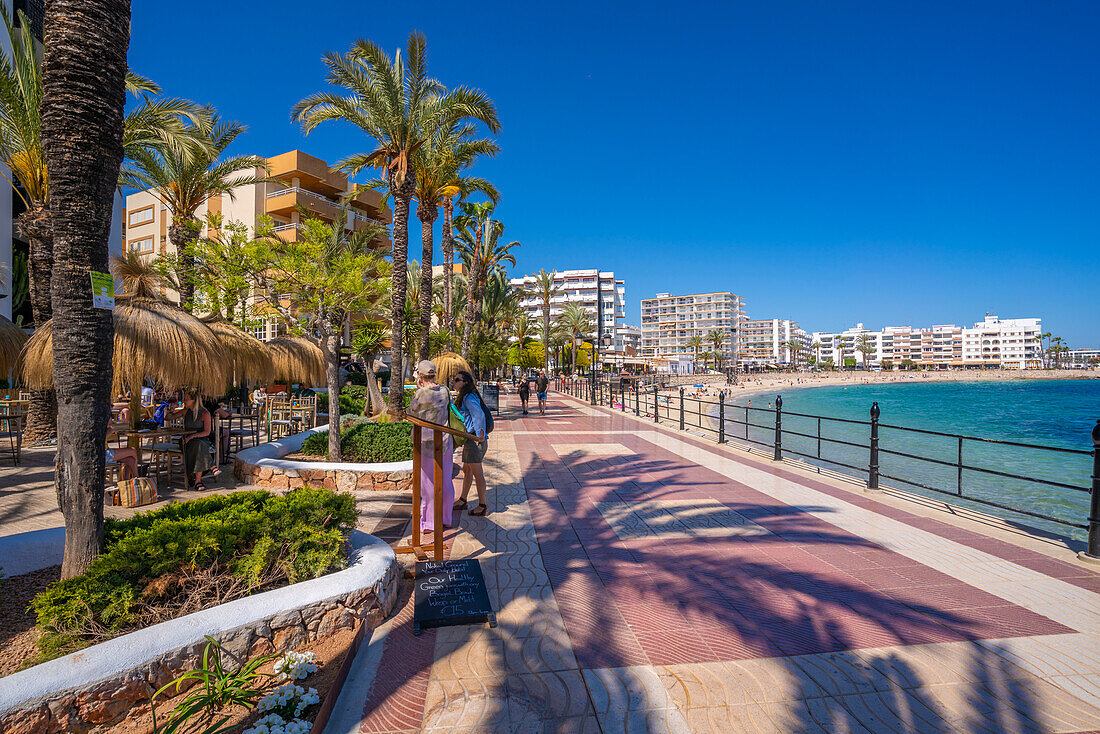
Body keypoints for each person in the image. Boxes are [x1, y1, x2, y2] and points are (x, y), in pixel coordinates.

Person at [408, 360, 454, 534]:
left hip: (425, 443)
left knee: (428, 484)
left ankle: (429, 523)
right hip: (445, 441)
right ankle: (446, 518)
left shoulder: (420, 394)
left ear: (420, 375)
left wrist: (419, 388)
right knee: (446, 480)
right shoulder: (445, 390)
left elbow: (411, 413)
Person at [451, 370, 489, 517]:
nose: (454, 382)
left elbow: (478, 414)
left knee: (477, 474)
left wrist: (480, 436)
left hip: (474, 440)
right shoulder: (467, 395)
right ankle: (463, 499)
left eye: (457, 379)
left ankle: (482, 506)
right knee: (467, 470)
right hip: (471, 440)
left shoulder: (468, 397)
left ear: (465, 382)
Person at [173, 391, 215, 490]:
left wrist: (192, 436)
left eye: (187, 399)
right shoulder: (185, 411)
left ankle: (197, 480)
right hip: (186, 442)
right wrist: (171, 410)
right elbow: (168, 418)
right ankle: (211, 466)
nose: (184, 401)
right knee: (199, 446)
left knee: (199, 445)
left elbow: (207, 432)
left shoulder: (205, 413)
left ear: (194, 401)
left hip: (202, 440)